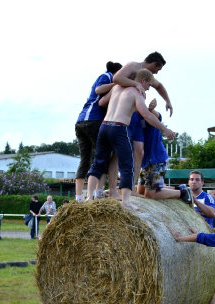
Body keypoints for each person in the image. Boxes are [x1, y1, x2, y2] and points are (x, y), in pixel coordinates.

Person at [86, 69, 175, 208]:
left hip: (104, 126)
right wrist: (165, 129)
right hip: (119, 127)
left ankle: (88, 198)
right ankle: (126, 202)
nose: (148, 88)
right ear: (143, 81)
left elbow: (101, 101)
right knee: (127, 165)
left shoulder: (116, 87)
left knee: (97, 164)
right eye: (149, 85)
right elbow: (146, 115)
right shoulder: (136, 92)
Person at [75, 61, 122, 201]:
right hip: (93, 120)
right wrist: (118, 84)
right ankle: (98, 192)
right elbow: (98, 90)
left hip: (81, 121)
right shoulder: (107, 76)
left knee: (85, 159)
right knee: (102, 155)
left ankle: (78, 197)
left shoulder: (108, 78)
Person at [136, 99, 192, 204]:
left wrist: (151, 109)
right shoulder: (134, 118)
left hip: (156, 159)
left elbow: (156, 116)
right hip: (145, 162)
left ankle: (183, 193)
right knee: (141, 192)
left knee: (150, 195)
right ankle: (177, 189)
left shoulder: (149, 115)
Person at [187, 170, 215, 304]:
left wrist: (196, 202)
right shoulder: (183, 196)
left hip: (206, 240)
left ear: (202, 182)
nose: (194, 182)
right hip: (189, 240)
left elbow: (213, 214)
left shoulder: (207, 198)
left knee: (208, 277)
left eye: (197, 179)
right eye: (192, 179)